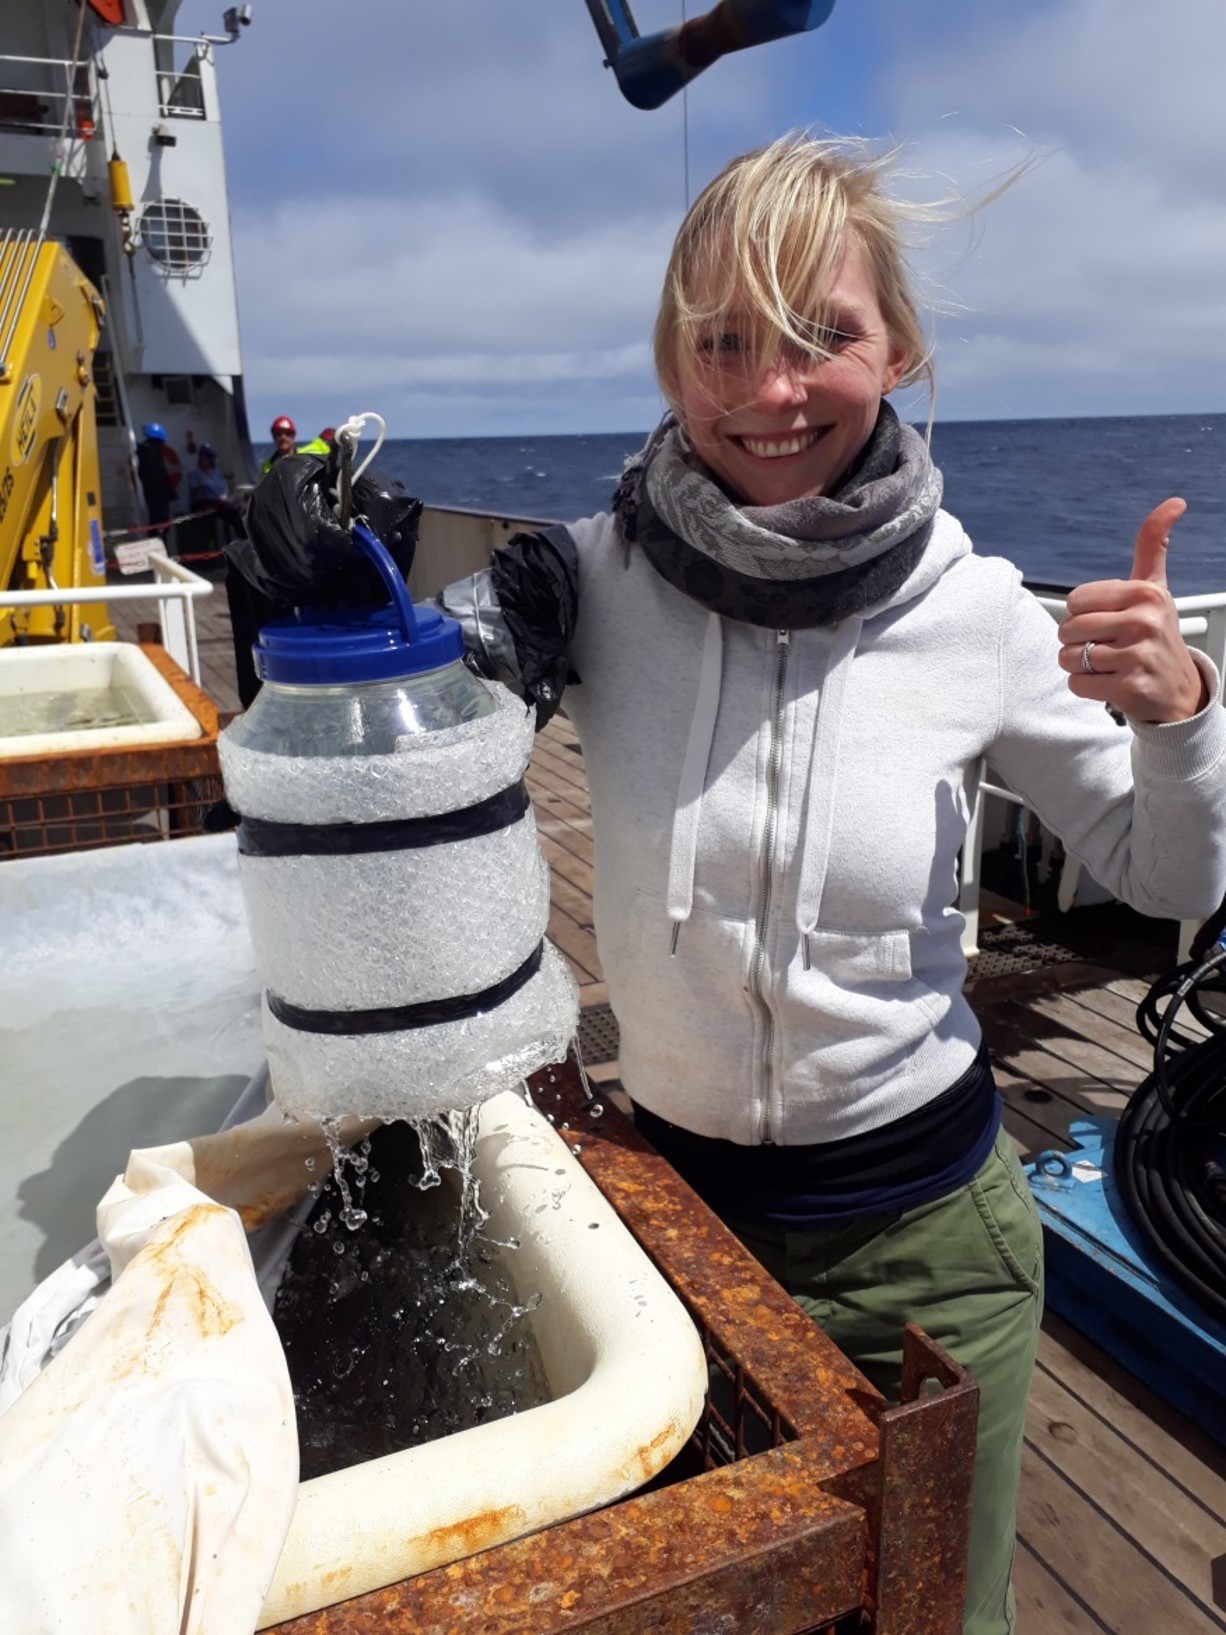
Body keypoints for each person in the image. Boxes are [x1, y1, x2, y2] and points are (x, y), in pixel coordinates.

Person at [434, 133, 1226, 1635]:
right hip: (671, 1221)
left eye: (821, 337)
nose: (767, 389)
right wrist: (321, 606)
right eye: (721, 341)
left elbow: (1161, 867)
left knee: (936, 1615)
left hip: (927, 1237)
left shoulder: (980, 608)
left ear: (899, 349)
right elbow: (420, 726)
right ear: (670, 358)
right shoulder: (586, 575)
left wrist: (1180, 714)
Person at [135, 421, 176, 533]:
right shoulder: (150, 455)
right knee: (159, 526)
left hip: (154, 496)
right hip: (157, 498)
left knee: (158, 526)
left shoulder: (145, 453)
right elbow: (157, 477)